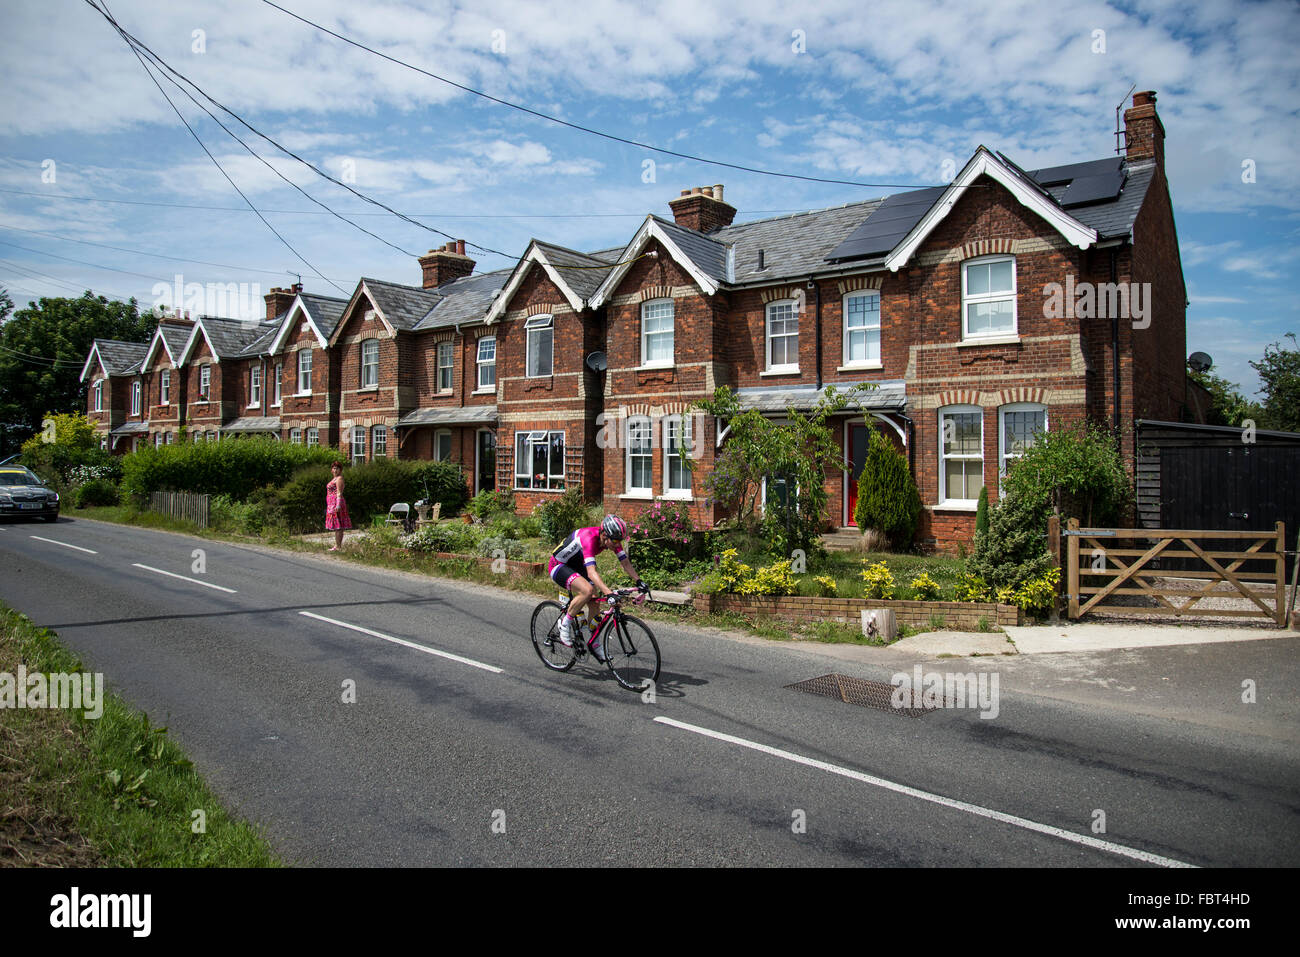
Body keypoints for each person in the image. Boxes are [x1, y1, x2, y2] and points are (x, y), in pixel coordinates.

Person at [547, 515, 648, 662]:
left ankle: (594, 642)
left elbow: (625, 563)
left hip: (577, 565)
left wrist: (639, 581)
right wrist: (609, 593)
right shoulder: (589, 538)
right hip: (559, 565)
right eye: (614, 541)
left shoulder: (612, 540)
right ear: (604, 534)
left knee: (594, 602)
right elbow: (591, 573)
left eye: (619, 541)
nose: (617, 544)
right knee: (587, 590)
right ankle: (565, 624)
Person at [325, 460, 351, 550]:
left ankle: (338, 546)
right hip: (331, 504)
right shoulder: (334, 479)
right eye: (334, 468)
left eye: (337, 469)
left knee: (339, 525)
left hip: (337, 503)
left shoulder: (339, 479)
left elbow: (339, 492)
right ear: (331, 470)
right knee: (336, 526)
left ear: (340, 470)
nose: (335, 470)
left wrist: (338, 505)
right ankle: (336, 545)